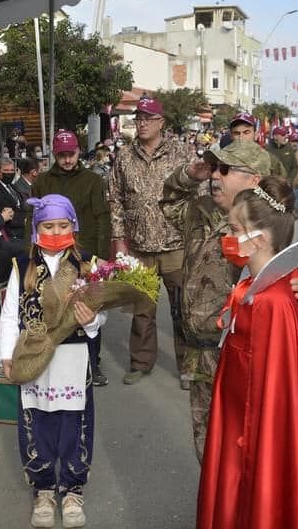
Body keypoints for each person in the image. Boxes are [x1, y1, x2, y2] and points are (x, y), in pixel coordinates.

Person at [160, 140, 298, 462]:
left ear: (254, 179)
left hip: (237, 354)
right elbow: (168, 203)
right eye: (213, 168)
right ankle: (217, 508)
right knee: (206, 444)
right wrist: (188, 174)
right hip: (199, 350)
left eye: (225, 170)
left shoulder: (267, 223)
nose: (215, 176)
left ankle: (243, 510)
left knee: (242, 446)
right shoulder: (201, 210)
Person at [197, 178, 298, 529]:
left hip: (250, 421)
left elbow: (271, 390)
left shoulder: (273, 300)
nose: (228, 235)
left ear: (256, 238)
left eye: (234, 229)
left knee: (260, 482)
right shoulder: (256, 287)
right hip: (237, 413)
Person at [0, 195, 106, 529]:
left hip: (73, 359)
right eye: (48, 226)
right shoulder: (22, 264)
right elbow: (8, 313)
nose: (56, 231)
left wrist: (90, 321)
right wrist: (6, 355)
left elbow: (100, 318)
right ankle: (43, 489)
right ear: (36, 228)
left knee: (75, 425)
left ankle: (73, 489)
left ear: (73, 226)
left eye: (62, 225)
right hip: (33, 357)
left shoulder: (87, 263)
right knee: (36, 423)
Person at [108, 98, 190, 387]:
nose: (141, 123)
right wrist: (119, 240)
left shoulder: (182, 152)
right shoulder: (124, 157)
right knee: (142, 309)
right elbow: (116, 199)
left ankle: (188, 367)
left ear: (161, 122)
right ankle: (141, 362)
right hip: (140, 247)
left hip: (175, 245)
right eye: (138, 118)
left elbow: (197, 193)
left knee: (182, 308)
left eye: (148, 118)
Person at [28, 131, 111, 386]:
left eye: (71, 154)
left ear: (79, 152)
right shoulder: (41, 181)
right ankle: (48, 357)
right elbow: (32, 220)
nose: (66, 160)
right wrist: (31, 253)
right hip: (49, 252)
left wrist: (101, 259)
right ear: (54, 154)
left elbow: (102, 218)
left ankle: (92, 363)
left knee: (88, 309)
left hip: (83, 254)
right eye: (61, 155)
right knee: (50, 307)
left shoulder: (93, 180)